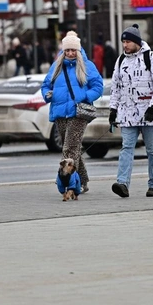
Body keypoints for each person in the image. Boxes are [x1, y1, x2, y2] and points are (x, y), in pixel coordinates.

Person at [108, 24, 153, 198]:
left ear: (136, 42)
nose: (125, 45)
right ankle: (122, 183)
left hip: (149, 114)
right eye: (123, 42)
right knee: (126, 148)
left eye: (127, 41)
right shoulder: (120, 61)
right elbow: (115, 88)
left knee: (152, 150)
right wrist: (113, 109)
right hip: (127, 113)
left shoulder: (152, 58)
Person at [41, 31, 103, 195]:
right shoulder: (57, 65)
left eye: (73, 50)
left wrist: (84, 96)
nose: (70, 53)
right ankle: (83, 181)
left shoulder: (87, 65)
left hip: (78, 113)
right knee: (73, 150)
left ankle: (69, 182)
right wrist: (47, 95)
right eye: (67, 50)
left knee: (69, 149)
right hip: (60, 112)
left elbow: (98, 87)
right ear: (63, 50)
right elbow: (46, 85)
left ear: (78, 50)